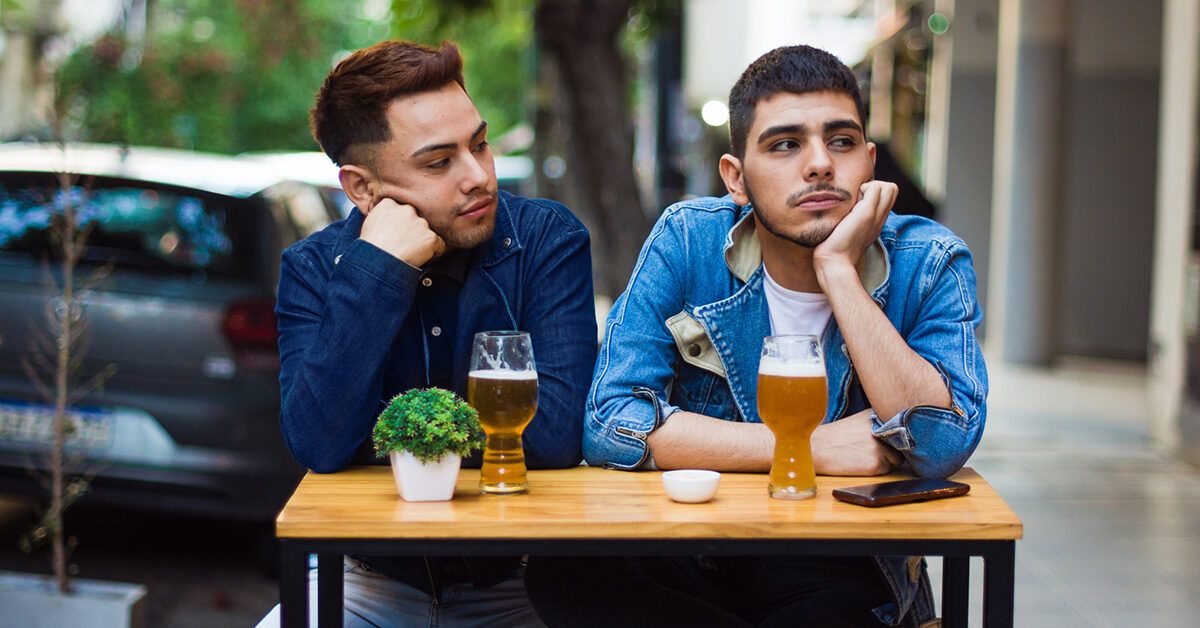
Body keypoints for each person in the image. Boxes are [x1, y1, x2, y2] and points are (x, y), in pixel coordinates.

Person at [525, 45, 986, 627]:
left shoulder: (929, 260)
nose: (819, 163)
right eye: (785, 144)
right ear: (735, 178)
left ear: (870, 164)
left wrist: (839, 271)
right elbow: (610, 424)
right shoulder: (689, 239)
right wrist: (805, 448)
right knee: (563, 573)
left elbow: (942, 445)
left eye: (841, 142)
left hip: (837, 559)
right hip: (691, 543)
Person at [276, 39, 597, 627]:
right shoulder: (314, 268)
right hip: (363, 582)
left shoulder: (547, 241)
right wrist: (379, 274)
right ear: (362, 189)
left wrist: (382, 439)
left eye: (479, 144)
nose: (478, 176)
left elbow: (554, 436)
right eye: (438, 162)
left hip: (522, 585)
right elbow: (319, 443)